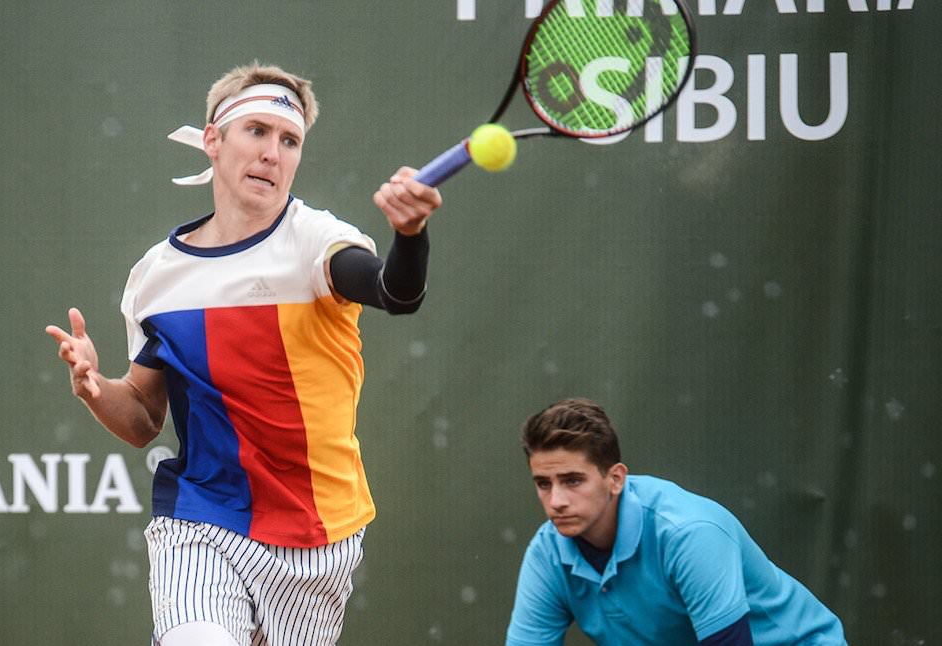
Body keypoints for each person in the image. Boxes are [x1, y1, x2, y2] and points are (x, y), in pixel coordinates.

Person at [45, 61, 442, 646]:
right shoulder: (156, 276)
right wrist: (95, 387)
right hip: (202, 517)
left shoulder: (318, 241)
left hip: (317, 534)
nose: (272, 154)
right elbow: (143, 421)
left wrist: (410, 235)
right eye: (256, 131)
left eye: (288, 141)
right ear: (213, 140)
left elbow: (394, 293)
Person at [508, 398, 847, 645]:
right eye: (543, 484)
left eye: (573, 480)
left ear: (615, 479)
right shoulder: (547, 552)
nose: (556, 501)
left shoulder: (689, 534)